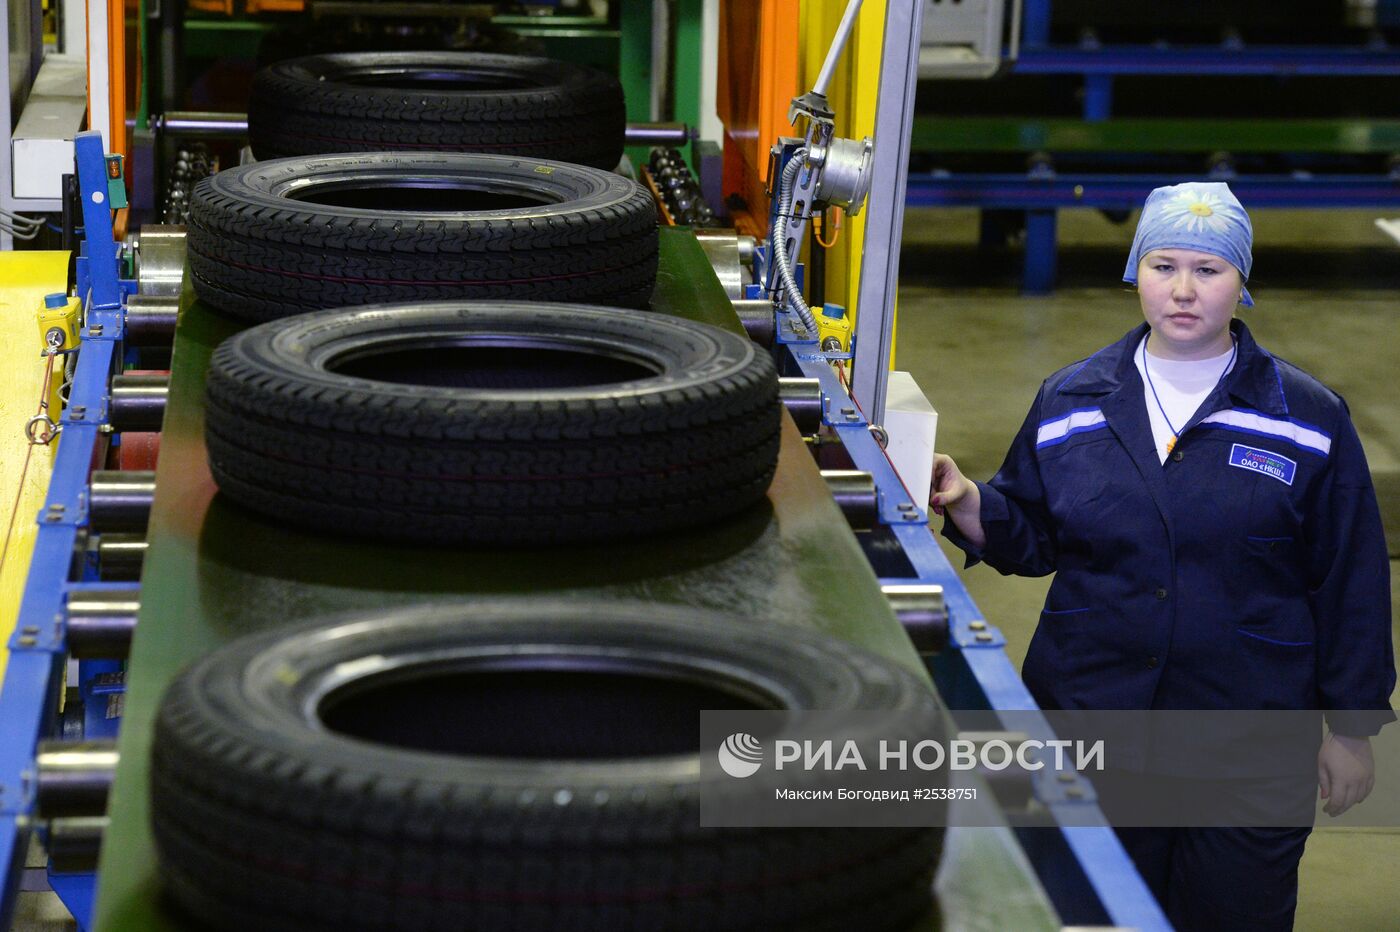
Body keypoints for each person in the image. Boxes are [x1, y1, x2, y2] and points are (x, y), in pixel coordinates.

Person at [930, 182, 1395, 931]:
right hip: (1095, 724)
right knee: (1096, 915)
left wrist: (1352, 730)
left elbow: (1352, 582)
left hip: (1248, 740)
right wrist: (967, 501)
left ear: (1242, 283)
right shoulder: (1072, 399)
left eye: (1208, 271)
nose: (1182, 290)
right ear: (1134, 271)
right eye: (1162, 265)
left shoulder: (1307, 418)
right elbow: (1036, 532)